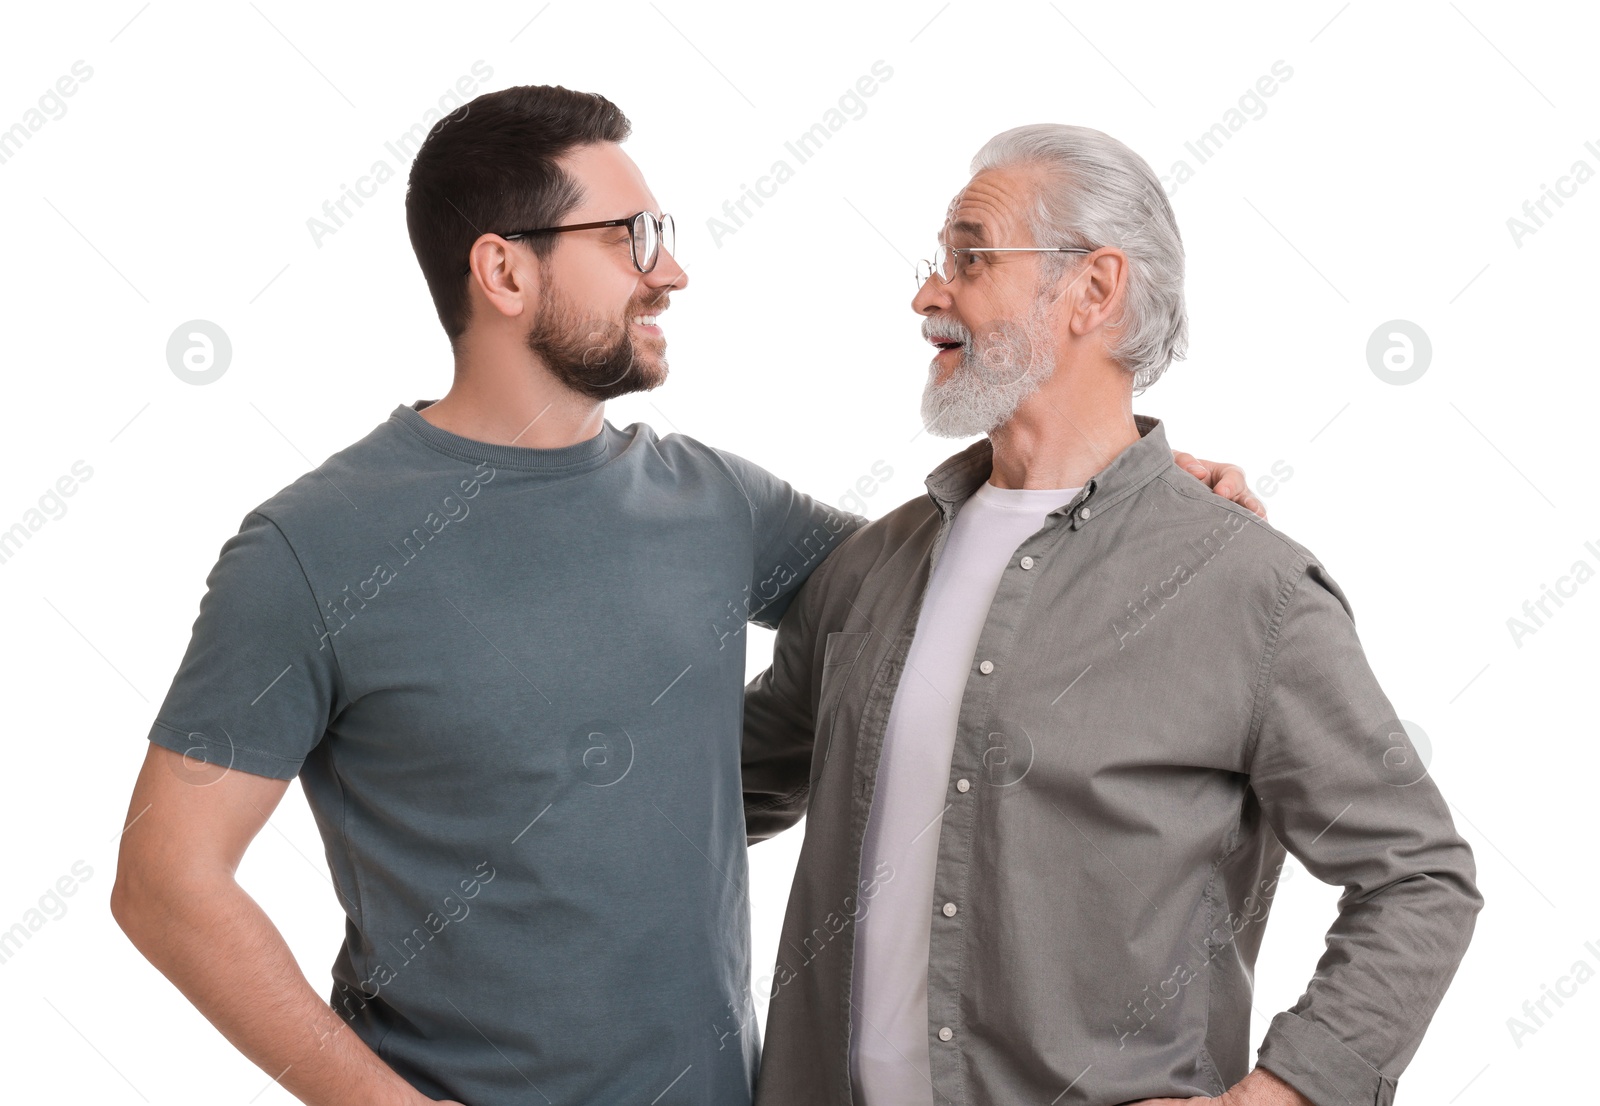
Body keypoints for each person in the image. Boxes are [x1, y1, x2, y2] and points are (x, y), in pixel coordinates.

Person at [110, 87, 1260, 1106]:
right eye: (631, 237)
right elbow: (167, 881)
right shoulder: (310, 546)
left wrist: (1135, 496)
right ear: (504, 270)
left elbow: (964, 593)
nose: (671, 268)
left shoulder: (715, 503)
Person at [742, 124, 1482, 1106]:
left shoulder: (1243, 587)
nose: (928, 293)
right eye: (936, 262)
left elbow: (1417, 875)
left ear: (1094, 290)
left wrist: (1282, 1093)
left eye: (970, 256)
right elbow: (695, 802)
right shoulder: (867, 570)